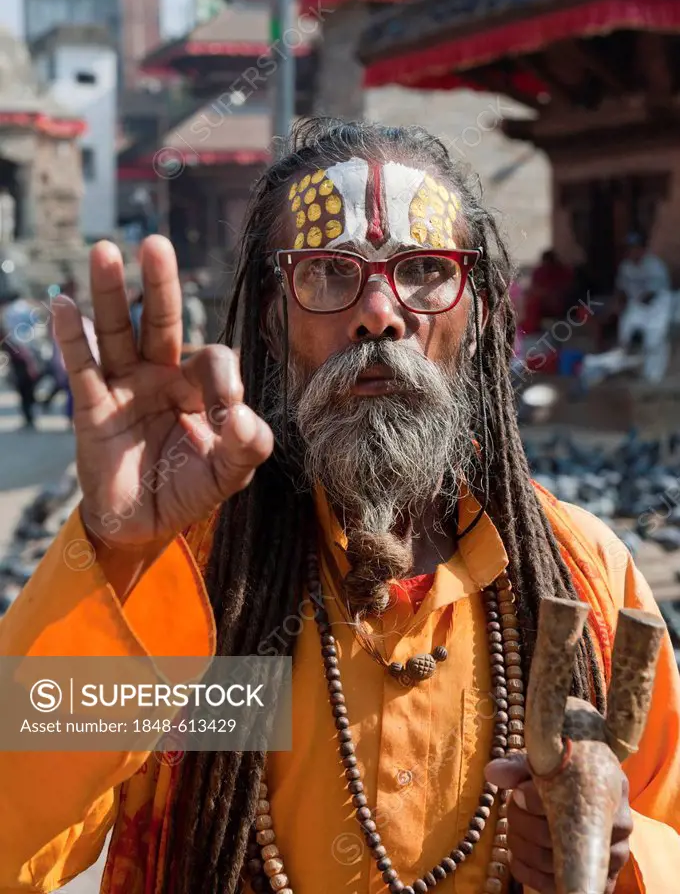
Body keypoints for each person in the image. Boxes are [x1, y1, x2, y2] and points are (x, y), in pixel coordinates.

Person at [1, 120, 679, 894]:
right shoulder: (201, 578)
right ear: (269, 313)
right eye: (329, 271)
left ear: (483, 311)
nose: (379, 315)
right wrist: (115, 551)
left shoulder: (581, 579)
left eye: (425, 269)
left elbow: (666, 820)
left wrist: (620, 859)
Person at [615, 234, 672, 383]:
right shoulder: (625, 266)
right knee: (625, 333)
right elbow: (621, 289)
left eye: (635, 248)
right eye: (629, 249)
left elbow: (652, 293)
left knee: (654, 340)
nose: (632, 252)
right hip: (638, 304)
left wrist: (633, 300)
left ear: (642, 250)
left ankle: (653, 377)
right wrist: (619, 304)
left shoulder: (655, 265)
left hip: (658, 305)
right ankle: (626, 368)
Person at [0, 291, 43, 428]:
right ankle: (33, 410)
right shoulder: (28, 308)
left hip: (16, 351)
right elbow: (38, 326)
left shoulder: (7, 312)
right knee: (31, 382)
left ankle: (28, 414)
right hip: (32, 349)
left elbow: (6, 332)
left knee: (21, 384)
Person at [521, 250, 574, 335]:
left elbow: (566, 288)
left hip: (559, 302)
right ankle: (528, 330)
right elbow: (535, 288)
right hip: (542, 303)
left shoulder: (563, 271)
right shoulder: (539, 271)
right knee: (532, 302)